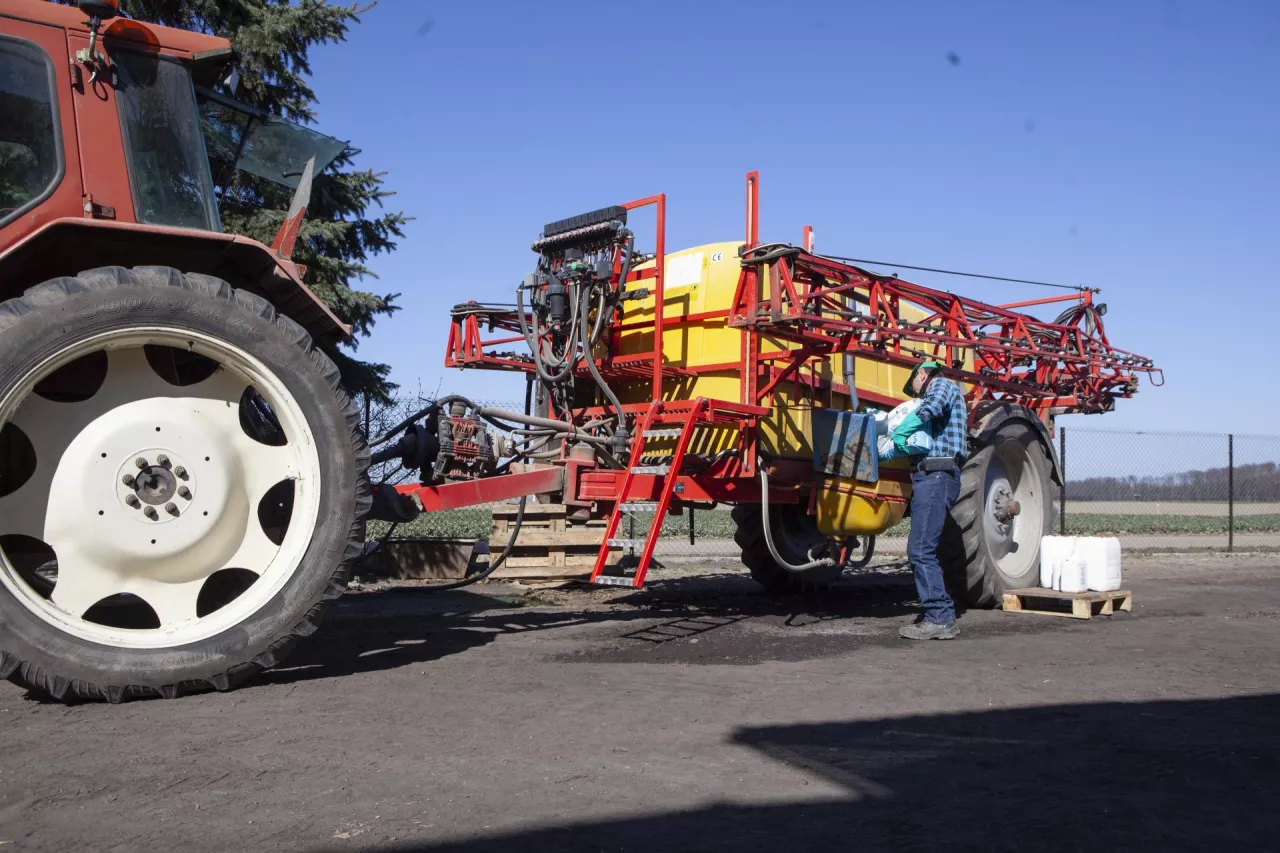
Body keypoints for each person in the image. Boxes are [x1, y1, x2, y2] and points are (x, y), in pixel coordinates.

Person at [890, 360, 968, 640]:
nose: (916, 394)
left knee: (921, 548)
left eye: (914, 386)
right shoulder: (942, 399)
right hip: (932, 475)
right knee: (922, 547)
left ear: (922, 374)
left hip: (937, 475)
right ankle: (939, 614)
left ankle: (940, 617)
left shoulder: (942, 385)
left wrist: (902, 428)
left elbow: (931, 406)